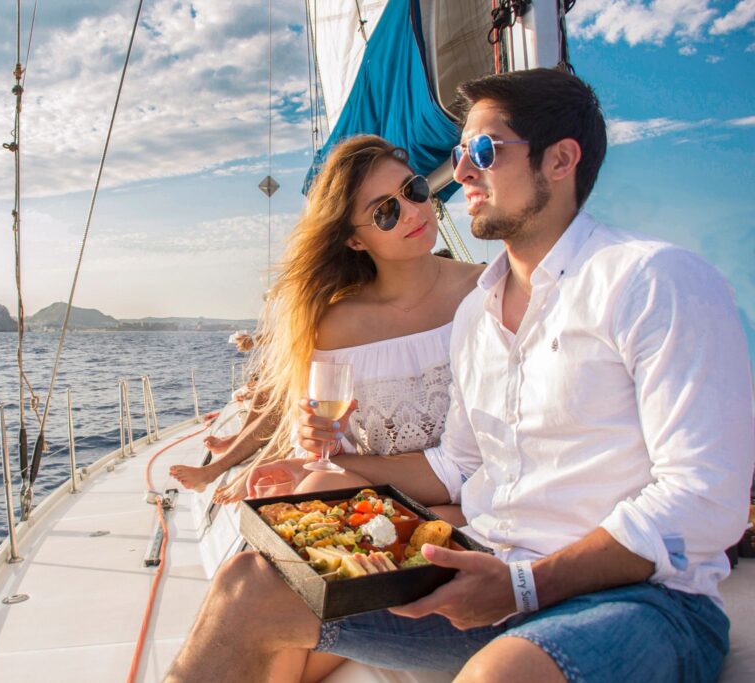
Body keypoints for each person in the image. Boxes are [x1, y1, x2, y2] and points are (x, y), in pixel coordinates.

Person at [166, 68, 754, 683]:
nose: (461, 173)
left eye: (482, 152)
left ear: (560, 160)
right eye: (457, 155)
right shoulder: (479, 312)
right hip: (485, 571)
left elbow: (706, 500)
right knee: (249, 585)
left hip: (639, 599)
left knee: (497, 677)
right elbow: (456, 465)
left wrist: (525, 586)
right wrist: (337, 470)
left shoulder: (653, 280)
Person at [210, 134, 481, 509]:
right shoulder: (337, 328)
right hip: (385, 506)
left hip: (493, 503)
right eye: (385, 212)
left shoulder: (487, 291)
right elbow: (328, 447)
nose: (413, 211)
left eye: (413, 189)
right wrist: (316, 437)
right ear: (354, 240)